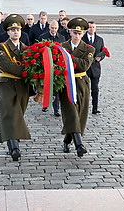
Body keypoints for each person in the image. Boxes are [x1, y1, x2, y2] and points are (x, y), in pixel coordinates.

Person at [0, 14, 30, 161]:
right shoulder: (1, 47)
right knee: (10, 114)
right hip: (7, 85)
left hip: (22, 86)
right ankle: (13, 147)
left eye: (18, 29)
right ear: (8, 32)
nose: (16, 32)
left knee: (19, 113)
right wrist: (27, 70)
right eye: (13, 29)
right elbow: (6, 65)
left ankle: (15, 139)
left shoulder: (27, 49)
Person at [59, 17, 95, 157]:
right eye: (74, 33)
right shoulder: (62, 46)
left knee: (80, 115)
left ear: (83, 34)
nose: (77, 36)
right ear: (70, 32)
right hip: (66, 83)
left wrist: (68, 57)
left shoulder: (89, 48)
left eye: (80, 33)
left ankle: (67, 140)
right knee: (71, 113)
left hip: (81, 83)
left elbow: (84, 65)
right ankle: (79, 144)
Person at [39, 20, 66, 117]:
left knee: (57, 88)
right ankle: (45, 105)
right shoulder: (43, 37)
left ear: (58, 28)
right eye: (52, 28)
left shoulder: (62, 38)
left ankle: (56, 109)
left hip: (57, 65)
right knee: (45, 86)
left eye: (55, 28)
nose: (53, 30)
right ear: (49, 27)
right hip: (46, 65)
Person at [82, 21, 105, 115]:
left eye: (93, 27)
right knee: (84, 90)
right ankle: (83, 108)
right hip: (85, 68)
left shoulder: (99, 39)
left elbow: (103, 51)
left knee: (95, 89)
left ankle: (95, 108)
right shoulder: (82, 39)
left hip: (95, 68)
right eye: (90, 27)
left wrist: (100, 57)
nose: (91, 29)